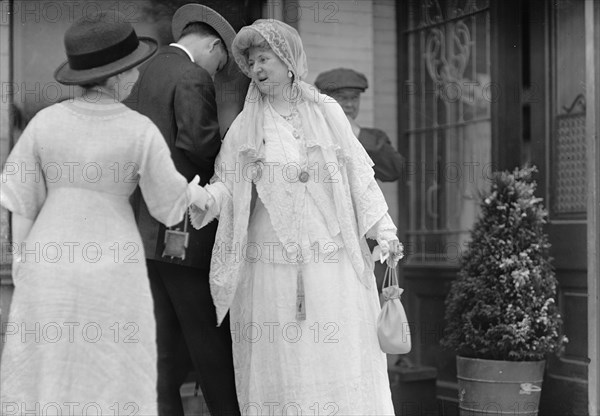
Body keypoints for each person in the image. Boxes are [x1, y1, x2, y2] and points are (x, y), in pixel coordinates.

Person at [189, 19, 403, 415]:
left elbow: (359, 173)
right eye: (250, 62)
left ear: (288, 61)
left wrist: (383, 231)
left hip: (333, 255)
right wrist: (204, 199)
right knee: (287, 353)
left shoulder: (327, 112)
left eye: (264, 58)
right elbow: (227, 184)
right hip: (272, 260)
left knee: (334, 348)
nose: (256, 68)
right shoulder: (246, 124)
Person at [0, 11, 207, 415]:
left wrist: (23, 261)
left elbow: (20, 201)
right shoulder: (137, 129)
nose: (135, 77)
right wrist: (204, 195)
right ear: (116, 76)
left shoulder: (44, 123)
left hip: (49, 260)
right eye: (132, 69)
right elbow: (168, 207)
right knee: (110, 364)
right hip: (113, 262)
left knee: (49, 362)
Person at [124, 4, 240, 416]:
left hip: (142, 233)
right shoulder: (192, 75)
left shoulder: (142, 74)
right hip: (184, 232)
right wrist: (236, 154)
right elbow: (199, 144)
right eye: (219, 63)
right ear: (212, 45)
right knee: (208, 341)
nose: (214, 73)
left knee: (163, 349)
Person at [314, 67, 405, 182]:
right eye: (342, 97)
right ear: (324, 100)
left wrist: (356, 134)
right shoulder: (308, 134)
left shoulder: (373, 138)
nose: (350, 104)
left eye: (355, 97)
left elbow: (395, 170)